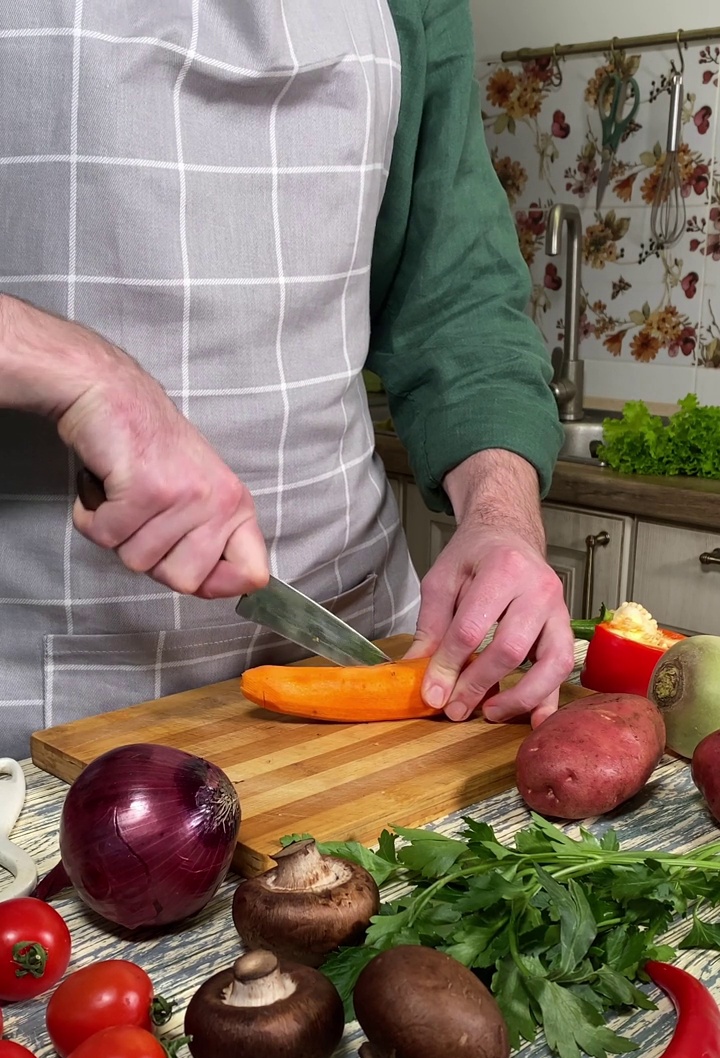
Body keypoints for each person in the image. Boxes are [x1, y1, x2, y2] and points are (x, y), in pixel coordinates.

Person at [0, 0, 574, 762]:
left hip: (353, 633)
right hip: (37, 680)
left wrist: (501, 514)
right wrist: (80, 371)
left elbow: (455, 294)